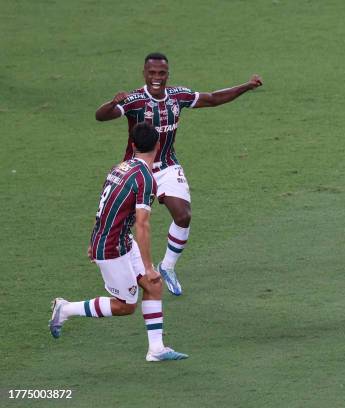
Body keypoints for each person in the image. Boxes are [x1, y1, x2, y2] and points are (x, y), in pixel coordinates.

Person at [95, 52, 263, 296]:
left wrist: (247, 86)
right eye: (151, 73)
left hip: (167, 166)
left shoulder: (177, 96)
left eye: (161, 73)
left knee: (183, 216)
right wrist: (112, 103)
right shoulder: (134, 100)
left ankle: (167, 267)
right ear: (144, 73)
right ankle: (120, 264)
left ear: (168, 75)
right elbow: (100, 117)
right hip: (137, 169)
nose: (156, 78)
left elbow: (213, 98)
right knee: (124, 223)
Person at [49, 122, 188, 362]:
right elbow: (142, 224)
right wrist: (148, 266)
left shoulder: (120, 167)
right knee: (125, 306)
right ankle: (65, 309)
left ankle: (156, 350)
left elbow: (106, 205)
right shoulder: (146, 178)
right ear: (157, 144)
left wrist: (94, 236)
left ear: (133, 145)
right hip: (112, 247)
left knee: (153, 286)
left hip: (117, 239)